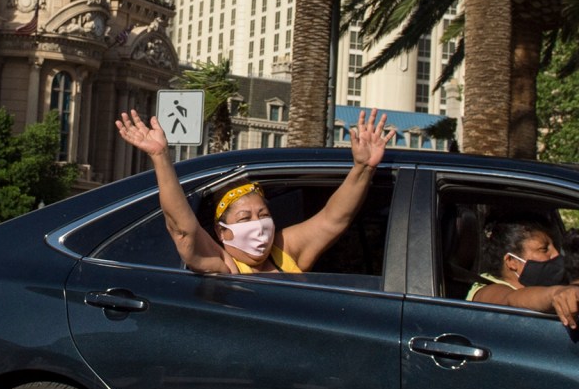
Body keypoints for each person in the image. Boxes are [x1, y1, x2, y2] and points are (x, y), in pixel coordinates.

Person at [113, 107, 393, 274]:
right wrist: (161, 157)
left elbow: (334, 218)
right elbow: (183, 228)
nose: (258, 226)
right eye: (244, 218)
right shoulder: (224, 263)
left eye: (263, 214)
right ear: (222, 231)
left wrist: (363, 168)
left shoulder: (284, 251)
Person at [465, 218, 579, 324]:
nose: (556, 254)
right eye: (544, 249)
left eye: (556, 247)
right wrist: (555, 294)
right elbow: (511, 299)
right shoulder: (487, 291)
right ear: (512, 261)